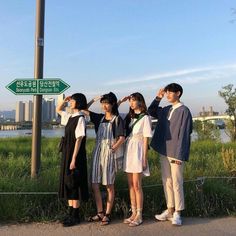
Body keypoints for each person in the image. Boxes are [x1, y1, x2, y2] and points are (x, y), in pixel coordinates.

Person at [148, 83, 192, 226]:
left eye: (170, 92)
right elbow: (151, 111)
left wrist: (180, 154)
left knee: (177, 182)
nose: (167, 95)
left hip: (176, 152)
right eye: (166, 92)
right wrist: (158, 98)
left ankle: (178, 213)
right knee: (167, 181)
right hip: (164, 150)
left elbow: (185, 133)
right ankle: (169, 210)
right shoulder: (166, 109)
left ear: (178, 93)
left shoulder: (184, 110)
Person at [82, 92, 125, 226]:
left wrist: (113, 148)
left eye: (107, 103)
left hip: (109, 153)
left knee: (109, 185)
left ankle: (107, 213)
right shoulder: (98, 118)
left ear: (112, 104)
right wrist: (93, 100)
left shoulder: (117, 119)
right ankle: (99, 212)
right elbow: (83, 109)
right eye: (103, 103)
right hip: (97, 152)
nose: (104, 106)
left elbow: (122, 138)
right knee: (94, 183)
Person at [118, 92, 153, 227]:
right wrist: (121, 101)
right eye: (130, 101)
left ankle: (139, 214)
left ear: (140, 102)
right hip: (129, 151)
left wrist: (144, 158)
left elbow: (146, 139)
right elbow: (115, 113)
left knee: (137, 185)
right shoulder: (130, 117)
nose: (131, 103)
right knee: (131, 185)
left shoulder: (145, 118)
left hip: (138, 152)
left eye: (133, 100)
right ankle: (133, 212)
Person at [56, 93, 89, 227]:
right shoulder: (70, 116)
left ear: (79, 102)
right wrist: (64, 101)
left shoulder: (80, 118)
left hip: (75, 154)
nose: (71, 102)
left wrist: (73, 159)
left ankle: (76, 216)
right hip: (67, 152)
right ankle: (70, 213)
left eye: (72, 100)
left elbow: (79, 139)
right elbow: (58, 110)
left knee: (74, 183)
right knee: (68, 183)